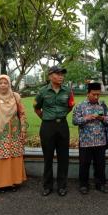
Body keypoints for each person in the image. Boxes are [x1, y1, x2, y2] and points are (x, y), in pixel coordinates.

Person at [34, 66, 74, 196]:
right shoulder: (42, 92)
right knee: (48, 158)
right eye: (58, 74)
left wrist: (60, 116)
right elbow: (37, 108)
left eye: (62, 74)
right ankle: (47, 186)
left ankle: (62, 186)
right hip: (47, 127)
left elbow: (70, 106)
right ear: (50, 76)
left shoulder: (68, 91)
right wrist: (46, 118)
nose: (61, 76)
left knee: (64, 158)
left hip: (62, 126)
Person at [0, 75, 27, 192]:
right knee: (1, 156)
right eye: (1, 83)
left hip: (14, 131)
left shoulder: (16, 97)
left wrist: (23, 128)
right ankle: (0, 184)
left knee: (14, 156)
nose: (3, 85)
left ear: (9, 84)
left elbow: (22, 113)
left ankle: (13, 182)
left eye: (5, 83)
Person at [73, 82, 108, 194]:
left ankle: (100, 184)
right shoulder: (80, 106)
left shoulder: (102, 105)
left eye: (98, 94)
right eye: (94, 94)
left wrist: (102, 118)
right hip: (86, 142)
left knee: (100, 165)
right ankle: (84, 185)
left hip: (100, 141)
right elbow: (74, 121)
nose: (96, 97)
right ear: (88, 93)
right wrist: (87, 118)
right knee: (84, 164)